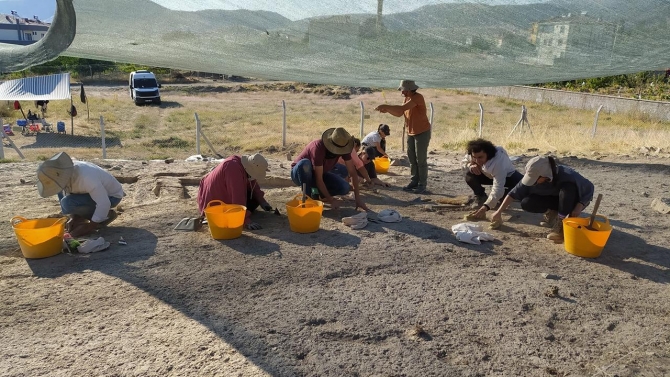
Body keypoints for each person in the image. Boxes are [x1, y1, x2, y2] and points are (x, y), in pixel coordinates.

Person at [491, 156, 594, 243]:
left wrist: (579, 206)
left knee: (568, 188)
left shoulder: (568, 174)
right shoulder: (534, 174)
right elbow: (513, 193)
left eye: (535, 178)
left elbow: (589, 188)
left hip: (572, 201)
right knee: (527, 202)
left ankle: (561, 227)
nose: (532, 181)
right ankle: (552, 214)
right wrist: (499, 212)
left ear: (546, 175)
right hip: (555, 201)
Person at [36, 152, 124, 237]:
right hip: (90, 194)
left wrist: (90, 226)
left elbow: (104, 203)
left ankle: (105, 216)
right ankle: (83, 217)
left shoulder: (86, 178)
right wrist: (73, 217)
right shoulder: (63, 176)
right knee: (63, 197)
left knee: (67, 203)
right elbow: (69, 193)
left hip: (111, 196)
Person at [291, 127, 369, 211]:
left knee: (344, 187)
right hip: (299, 174)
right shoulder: (318, 148)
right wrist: (331, 200)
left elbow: (353, 173)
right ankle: (307, 199)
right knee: (305, 164)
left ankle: (319, 194)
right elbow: (319, 179)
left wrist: (358, 199)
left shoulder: (344, 147)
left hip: (318, 174)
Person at [374, 80, 431, 193]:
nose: (402, 92)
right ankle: (414, 181)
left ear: (409, 89)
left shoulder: (417, 97)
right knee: (412, 159)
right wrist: (388, 110)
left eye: (403, 90)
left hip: (422, 132)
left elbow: (401, 109)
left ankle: (422, 184)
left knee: (421, 159)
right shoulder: (407, 98)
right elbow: (400, 113)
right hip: (411, 132)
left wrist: (386, 106)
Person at [197, 153, 273, 231]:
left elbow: (252, 183)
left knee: (254, 198)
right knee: (245, 202)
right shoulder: (233, 169)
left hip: (222, 191)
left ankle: (240, 212)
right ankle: (226, 215)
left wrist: (262, 201)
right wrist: (246, 221)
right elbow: (237, 196)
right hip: (213, 201)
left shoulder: (244, 163)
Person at [462, 139, 523, 220]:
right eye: (474, 157)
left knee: (523, 187)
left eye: (480, 157)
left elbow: (498, 187)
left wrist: (486, 207)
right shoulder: (473, 153)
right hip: (487, 175)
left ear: (488, 154)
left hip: (509, 176)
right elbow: (463, 162)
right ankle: (480, 196)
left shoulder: (499, 161)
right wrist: (470, 165)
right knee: (469, 174)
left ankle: (503, 197)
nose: (477, 160)